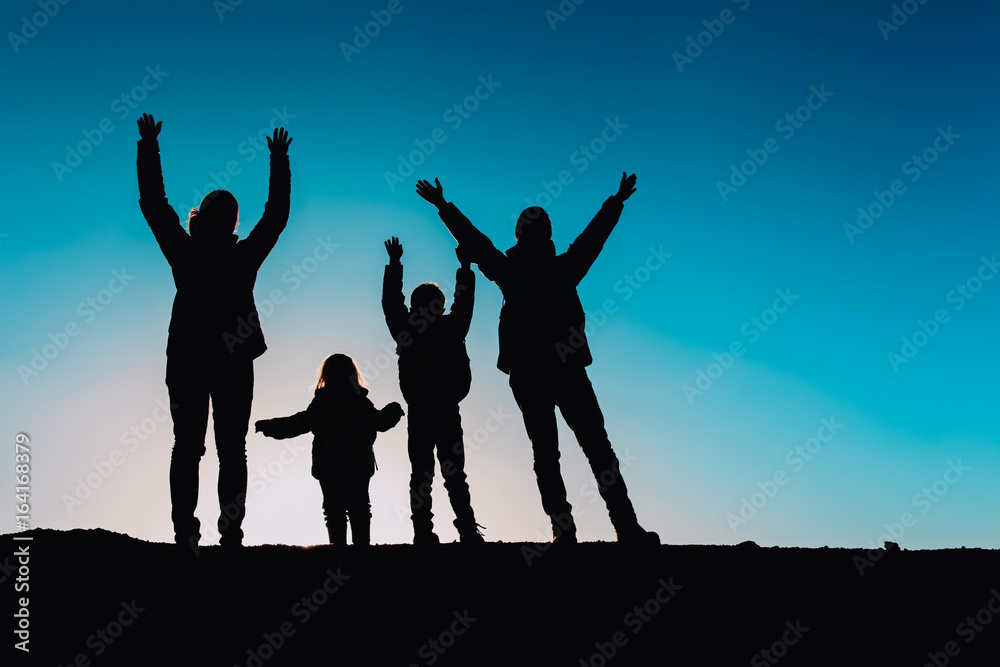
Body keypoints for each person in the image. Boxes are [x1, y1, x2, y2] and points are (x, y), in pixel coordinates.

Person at [415, 173, 658, 545]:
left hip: (548, 370)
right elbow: (591, 240)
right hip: (548, 370)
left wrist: (445, 208)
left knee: (566, 451)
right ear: (536, 234)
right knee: (579, 450)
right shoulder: (545, 269)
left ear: (527, 234)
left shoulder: (531, 270)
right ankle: (603, 528)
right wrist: (615, 202)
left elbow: (480, 244)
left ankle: (596, 529)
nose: (535, 230)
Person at [136, 113, 291, 549]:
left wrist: (148, 145)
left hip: (195, 359)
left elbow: (154, 204)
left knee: (194, 448)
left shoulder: (190, 253)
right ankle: (220, 533)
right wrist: (278, 162)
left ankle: (195, 533)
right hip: (221, 361)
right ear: (212, 220)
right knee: (220, 450)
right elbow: (275, 216)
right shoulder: (235, 257)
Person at [381, 236, 484, 545]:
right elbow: (463, 301)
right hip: (439, 408)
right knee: (448, 474)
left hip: (431, 409)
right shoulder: (446, 327)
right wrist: (464, 269)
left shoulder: (415, 328)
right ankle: (460, 530)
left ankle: (429, 532)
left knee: (425, 474)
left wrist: (395, 265)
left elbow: (390, 302)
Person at [255, 354, 404, 546]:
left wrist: (271, 426)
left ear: (326, 375)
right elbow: (380, 422)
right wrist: (393, 411)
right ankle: (362, 553)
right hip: (357, 465)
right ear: (353, 375)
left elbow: (299, 423)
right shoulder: (360, 403)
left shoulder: (323, 403)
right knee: (359, 508)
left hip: (329, 466)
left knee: (335, 511)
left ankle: (338, 554)